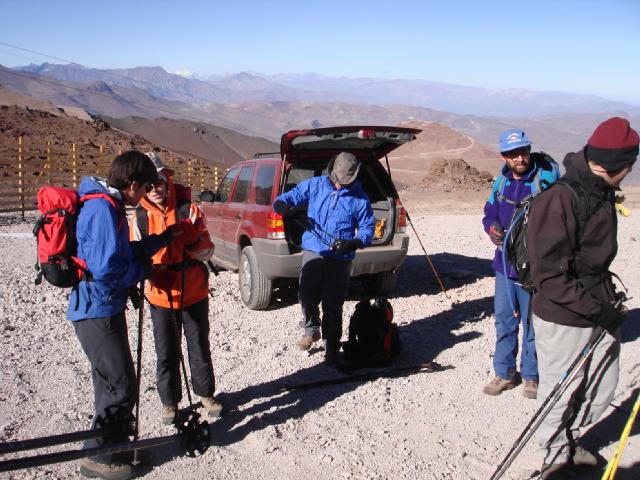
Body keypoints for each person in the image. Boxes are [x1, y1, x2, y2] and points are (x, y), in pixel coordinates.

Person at [527, 117, 638, 479]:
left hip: (597, 304)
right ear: (619, 165)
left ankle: (571, 438)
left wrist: (604, 306)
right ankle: (555, 460)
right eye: (631, 164)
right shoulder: (560, 199)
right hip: (563, 316)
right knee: (560, 392)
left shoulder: (600, 190)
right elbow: (549, 278)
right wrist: (597, 310)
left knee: (602, 384)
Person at [68, 151, 180, 480]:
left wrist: (159, 241)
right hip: (97, 307)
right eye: (144, 187)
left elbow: (120, 251)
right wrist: (142, 270)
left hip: (102, 306)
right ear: (132, 184)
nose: (146, 193)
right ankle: (99, 458)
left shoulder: (109, 205)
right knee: (121, 386)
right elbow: (107, 267)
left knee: (110, 383)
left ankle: (111, 449)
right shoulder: (102, 208)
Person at [130, 152, 221, 425]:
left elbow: (208, 252)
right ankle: (169, 402)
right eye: (148, 185)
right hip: (160, 294)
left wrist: (194, 243)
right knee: (166, 351)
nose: (154, 189)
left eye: (158, 183)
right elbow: (134, 254)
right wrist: (147, 272)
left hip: (193, 291)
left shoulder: (188, 210)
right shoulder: (140, 217)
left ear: (167, 181)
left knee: (199, 346)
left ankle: (205, 394)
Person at [272, 152, 375, 364]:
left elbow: (367, 228)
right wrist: (282, 206)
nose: (339, 184)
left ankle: (332, 347)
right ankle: (311, 330)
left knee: (333, 303)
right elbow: (286, 199)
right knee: (306, 295)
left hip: (340, 257)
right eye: (338, 179)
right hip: (313, 250)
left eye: (345, 181)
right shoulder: (315, 185)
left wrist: (354, 242)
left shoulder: (360, 198)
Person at [481, 129, 559, 399]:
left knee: (532, 322)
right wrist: (492, 227)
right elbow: (489, 211)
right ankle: (504, 373)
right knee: (504, 321)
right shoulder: (502, 182)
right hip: (504, 265)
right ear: (504, 156)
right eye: (513, 154)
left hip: (533, 266)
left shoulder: (543, 183)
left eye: (523, 152)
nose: (520, 158)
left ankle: (531, 376)